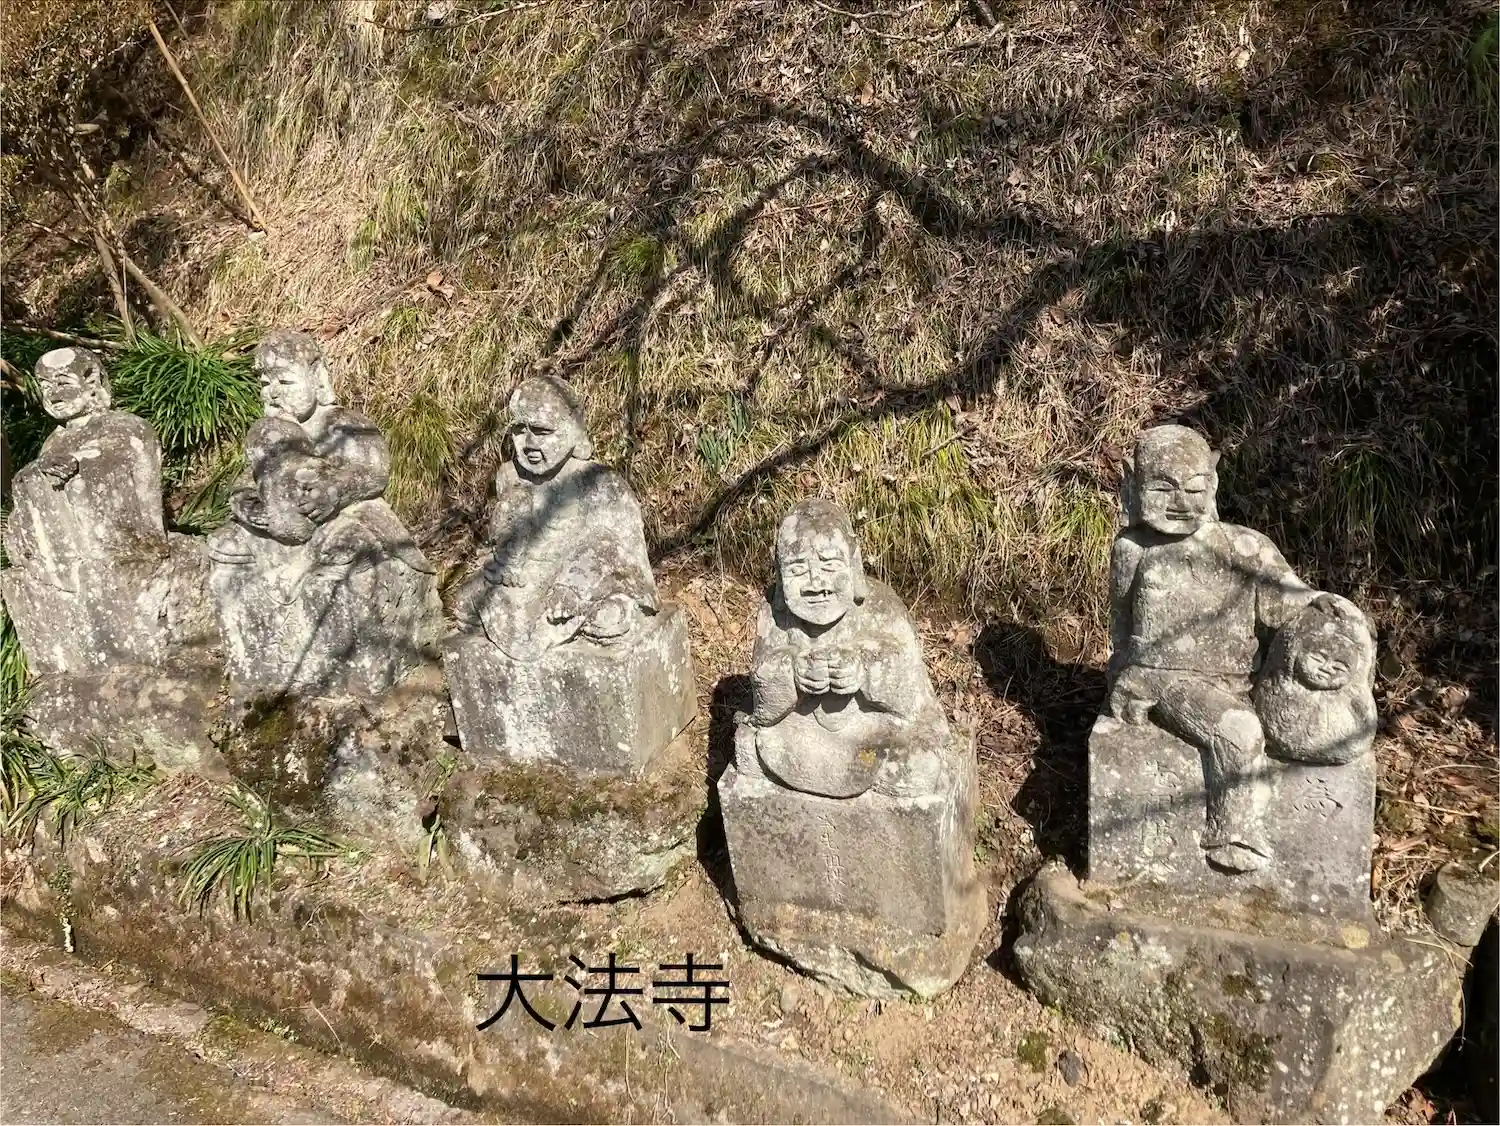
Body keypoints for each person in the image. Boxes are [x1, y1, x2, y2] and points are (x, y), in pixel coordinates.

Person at [1106, 424, 1364, 872]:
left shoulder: (1245, 547)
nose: (1180, 502)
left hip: (1240, 677)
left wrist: (1320, 603)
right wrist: (1124, 676)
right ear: (1132, 482)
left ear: (1213, 482)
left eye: (1193, 488)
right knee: (1239, 730)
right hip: (1166, 680)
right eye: (1162, 489)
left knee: (1285, 716)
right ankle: (1232, 834)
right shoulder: (1133, 550)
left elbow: (1287, 598)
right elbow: (1122, 627)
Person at [748, 498, 949, 798]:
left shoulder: (881, 607)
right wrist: (792, 673)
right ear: (779, 573)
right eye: (797, 569)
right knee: (748, 747)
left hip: (873, 733)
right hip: (801, 735)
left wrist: (864, 669)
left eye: (829, 565)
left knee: (918, 766)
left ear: (854, 563)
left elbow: (912, 695)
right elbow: (762, 697)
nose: (816, 584)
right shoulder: (776, 614)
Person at [453, 375, 656, 661]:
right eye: (519, 430)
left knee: (607, 619)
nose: (529, 443)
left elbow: (619, 550)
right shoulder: (509, 476)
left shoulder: (599, 482)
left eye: (542, 431)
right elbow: (501, 540)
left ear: (574, 429)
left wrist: (572, 585)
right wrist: (502, 560)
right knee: (466, 602)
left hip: (578, 583)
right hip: (524, 582)